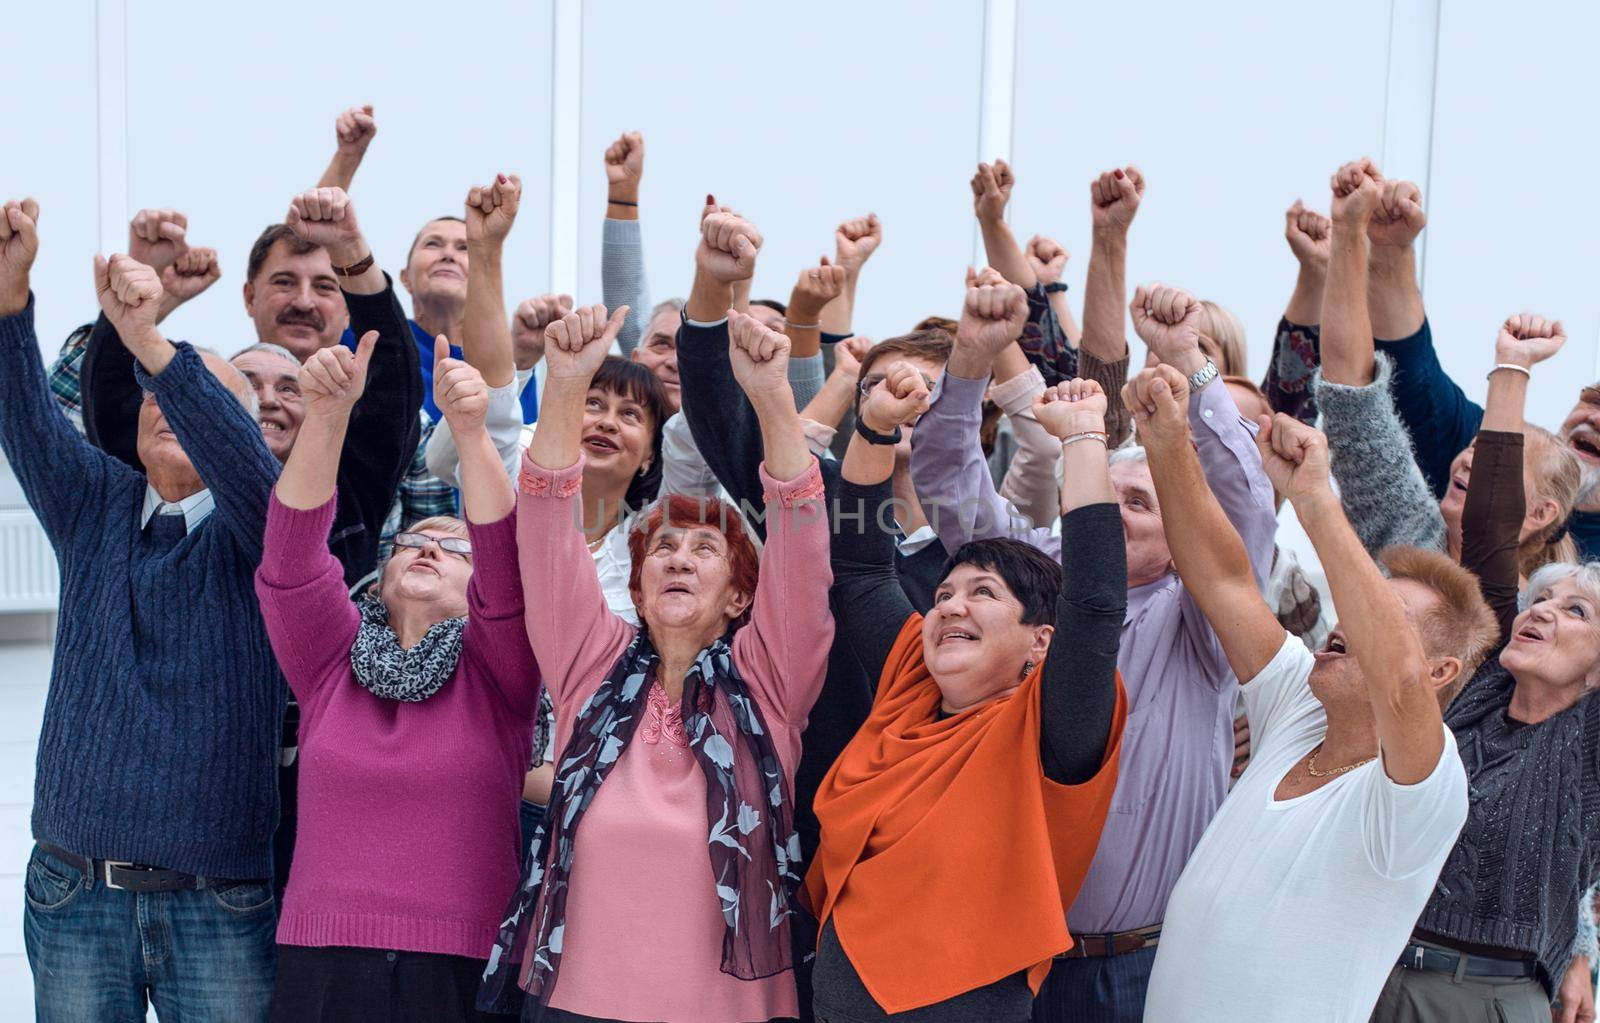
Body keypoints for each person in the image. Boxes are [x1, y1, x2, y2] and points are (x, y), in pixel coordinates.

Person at [909, 275, 1277, 1021]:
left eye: (1140, 502)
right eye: (1107, 493)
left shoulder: (1200, 622)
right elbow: (949, 482)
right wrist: (972, 357)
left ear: (1182, 542)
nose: (1112, 512)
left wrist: (1187, 361)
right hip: (1007, 958)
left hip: (1143, 966)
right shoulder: (1032, 575)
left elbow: (1241, 517)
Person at [478, 305, 832, 1023]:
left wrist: (770, 395)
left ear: (741, 593)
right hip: (575, 1004)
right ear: (635, 589)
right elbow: (546, 522)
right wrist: (566, 385)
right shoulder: (592, 662)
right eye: (662, 549)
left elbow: (800, 536)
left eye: (705, 549)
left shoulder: (770, 680)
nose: (677, 556)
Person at [1132, 365, 1486, 1022]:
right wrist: (1167, 444)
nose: (1346, 619)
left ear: (1441, 672)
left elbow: (1398, 677)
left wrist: (1316, 499)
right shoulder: (1300, 702)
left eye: (1379, 609)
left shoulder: (1424, 793)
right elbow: (1224, 581)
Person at [1, 200, 284, 1020]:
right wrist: (14, 294)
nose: (163, 403)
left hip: (219, 901)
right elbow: (23, 417)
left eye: (190, 393)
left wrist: (158, 346)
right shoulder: (95, 502)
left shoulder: (264, 531)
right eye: (154, 394)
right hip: (73, 890)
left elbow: (251, 476)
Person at [805, 361, 1126, 1020]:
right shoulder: (911, 682)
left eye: (984, 593)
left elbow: (1093, 602)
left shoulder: (1052, 728)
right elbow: (862, 566)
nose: (951, 606)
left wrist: (1083, 437)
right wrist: (872, 428)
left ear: (1042, 640)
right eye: (945, 593)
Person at [256, 329, 537, 1021]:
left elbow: (509, 575)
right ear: (379, 575)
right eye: (412, 539)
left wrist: (471, 435)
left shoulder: (499, 669)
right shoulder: (331, 661)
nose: (427, 548)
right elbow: (290, 563)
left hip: (461, 967)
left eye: (452, 546)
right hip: (322, 965)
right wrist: (325, 416)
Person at [77, 187, 424, 586]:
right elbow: (112, 408)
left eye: (292, 389)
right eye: (245, 388)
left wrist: (351, 249)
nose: (269, 400)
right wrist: (138, 289)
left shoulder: (346, 491)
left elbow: (392, 390)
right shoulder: (175, 478)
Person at [1310, 159, 1579, 591]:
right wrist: (1347, 232)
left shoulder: (1535, 616)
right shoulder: (1411, 535)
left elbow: (1491, 544)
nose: (1471, 456)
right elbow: (1352, 398)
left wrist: (1513, 364)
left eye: (1497, 463)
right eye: (1474, 445)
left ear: (1540, 514)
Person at [1366, 558, 1600, 1022]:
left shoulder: (1589, 744)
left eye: (1577, 611)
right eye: (1538, 600)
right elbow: (1490, 533)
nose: (1542, 611)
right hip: (1369, 970)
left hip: (1482, 999)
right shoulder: (1476, 690)